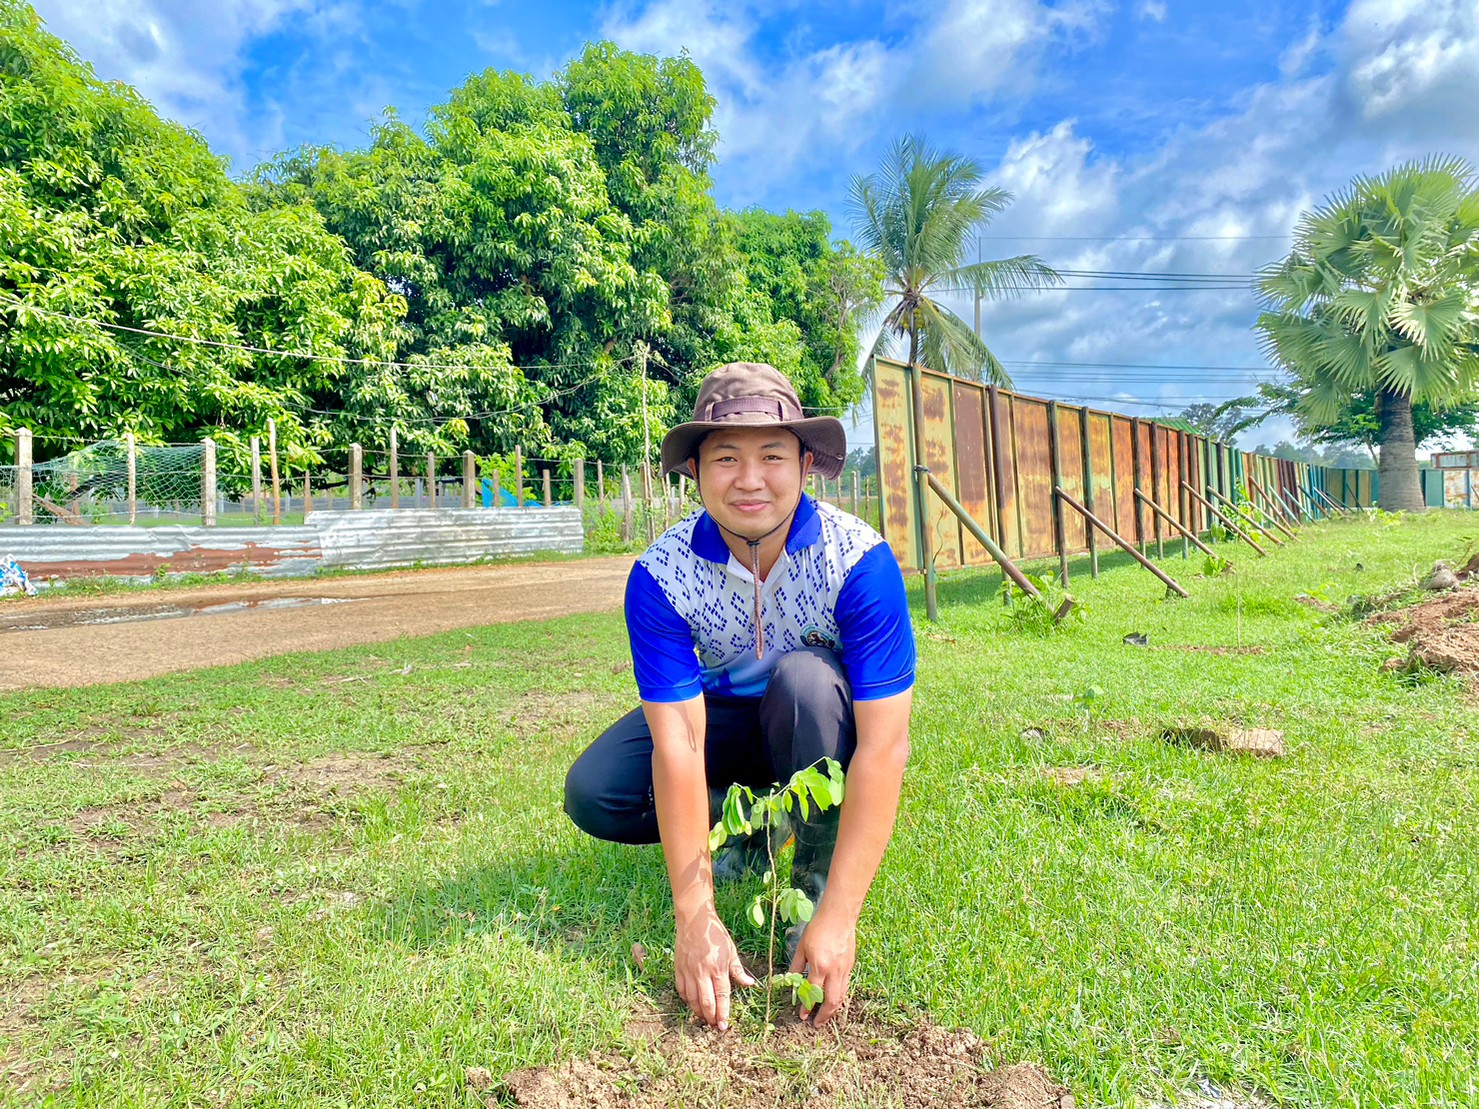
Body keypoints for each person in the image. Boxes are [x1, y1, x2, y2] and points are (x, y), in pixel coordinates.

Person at [563, 362, 915, 1031]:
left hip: (812, 718)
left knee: (806, 683)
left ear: (805, 464)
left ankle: (808, 893)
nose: (749, 480)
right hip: (719, 714)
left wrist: (839, 916)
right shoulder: (662, 574)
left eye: (771, 456)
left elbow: (883, 744)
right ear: (695, 471)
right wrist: (694, 913)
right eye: (726, 457)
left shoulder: (856, 561)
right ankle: (749, 827)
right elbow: (678, 740)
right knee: (596, 791)